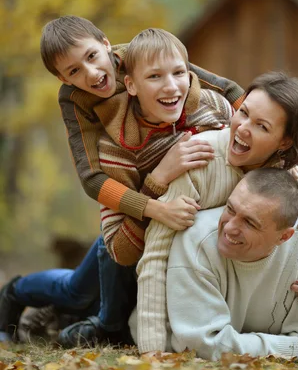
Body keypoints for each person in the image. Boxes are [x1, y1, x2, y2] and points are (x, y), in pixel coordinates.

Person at [0, 19, 243, 345]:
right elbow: (91, 178)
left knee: (96, 286)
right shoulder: (76, 99)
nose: (90, 73)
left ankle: (86, 318)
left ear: (106, 43)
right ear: (62, 79)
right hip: (127, 197)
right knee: (76, 289)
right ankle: (14, 291)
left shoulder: (143, 57)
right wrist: (151, 206)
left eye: (91, 56)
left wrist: (296, 164)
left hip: (152, 191)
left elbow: (227, 89)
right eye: (73, 72)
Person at [133, 72, 298, 354]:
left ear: (284, 143)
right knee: (84, 292)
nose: (242, 128)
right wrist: (151, 349)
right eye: (242, 113)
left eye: (261, 126)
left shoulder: (291, 184)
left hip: (211, 289)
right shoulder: (197, 160)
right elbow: (154, 257)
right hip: (136, 254)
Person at [163, 169, 298, 360]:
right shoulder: (195, 239)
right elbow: (201, 345)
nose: (230, 228)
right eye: (230, 209)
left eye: (249, 223)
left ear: (284, 236)